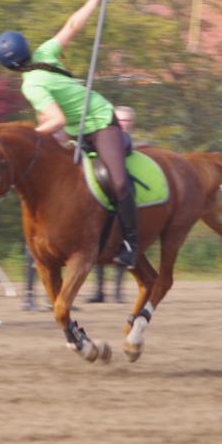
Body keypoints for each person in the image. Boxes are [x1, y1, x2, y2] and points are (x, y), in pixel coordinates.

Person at [0, 0, 137, 269]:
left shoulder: (33, 81)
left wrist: (31, 136)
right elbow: (72, 24)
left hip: (100, 124)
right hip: (78, 132)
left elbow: (56, 120)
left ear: (7, 67)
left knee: (119, 182)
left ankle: (131, 243)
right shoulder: (44, 53)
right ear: (27, 47)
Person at [88, 105, 136, 303]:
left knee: (121, 241)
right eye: (119, 120)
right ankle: (98, 290)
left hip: (122, 199)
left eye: (126, 120)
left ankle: (118, 291)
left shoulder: (125, 140)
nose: (122, 123)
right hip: (101, 195)